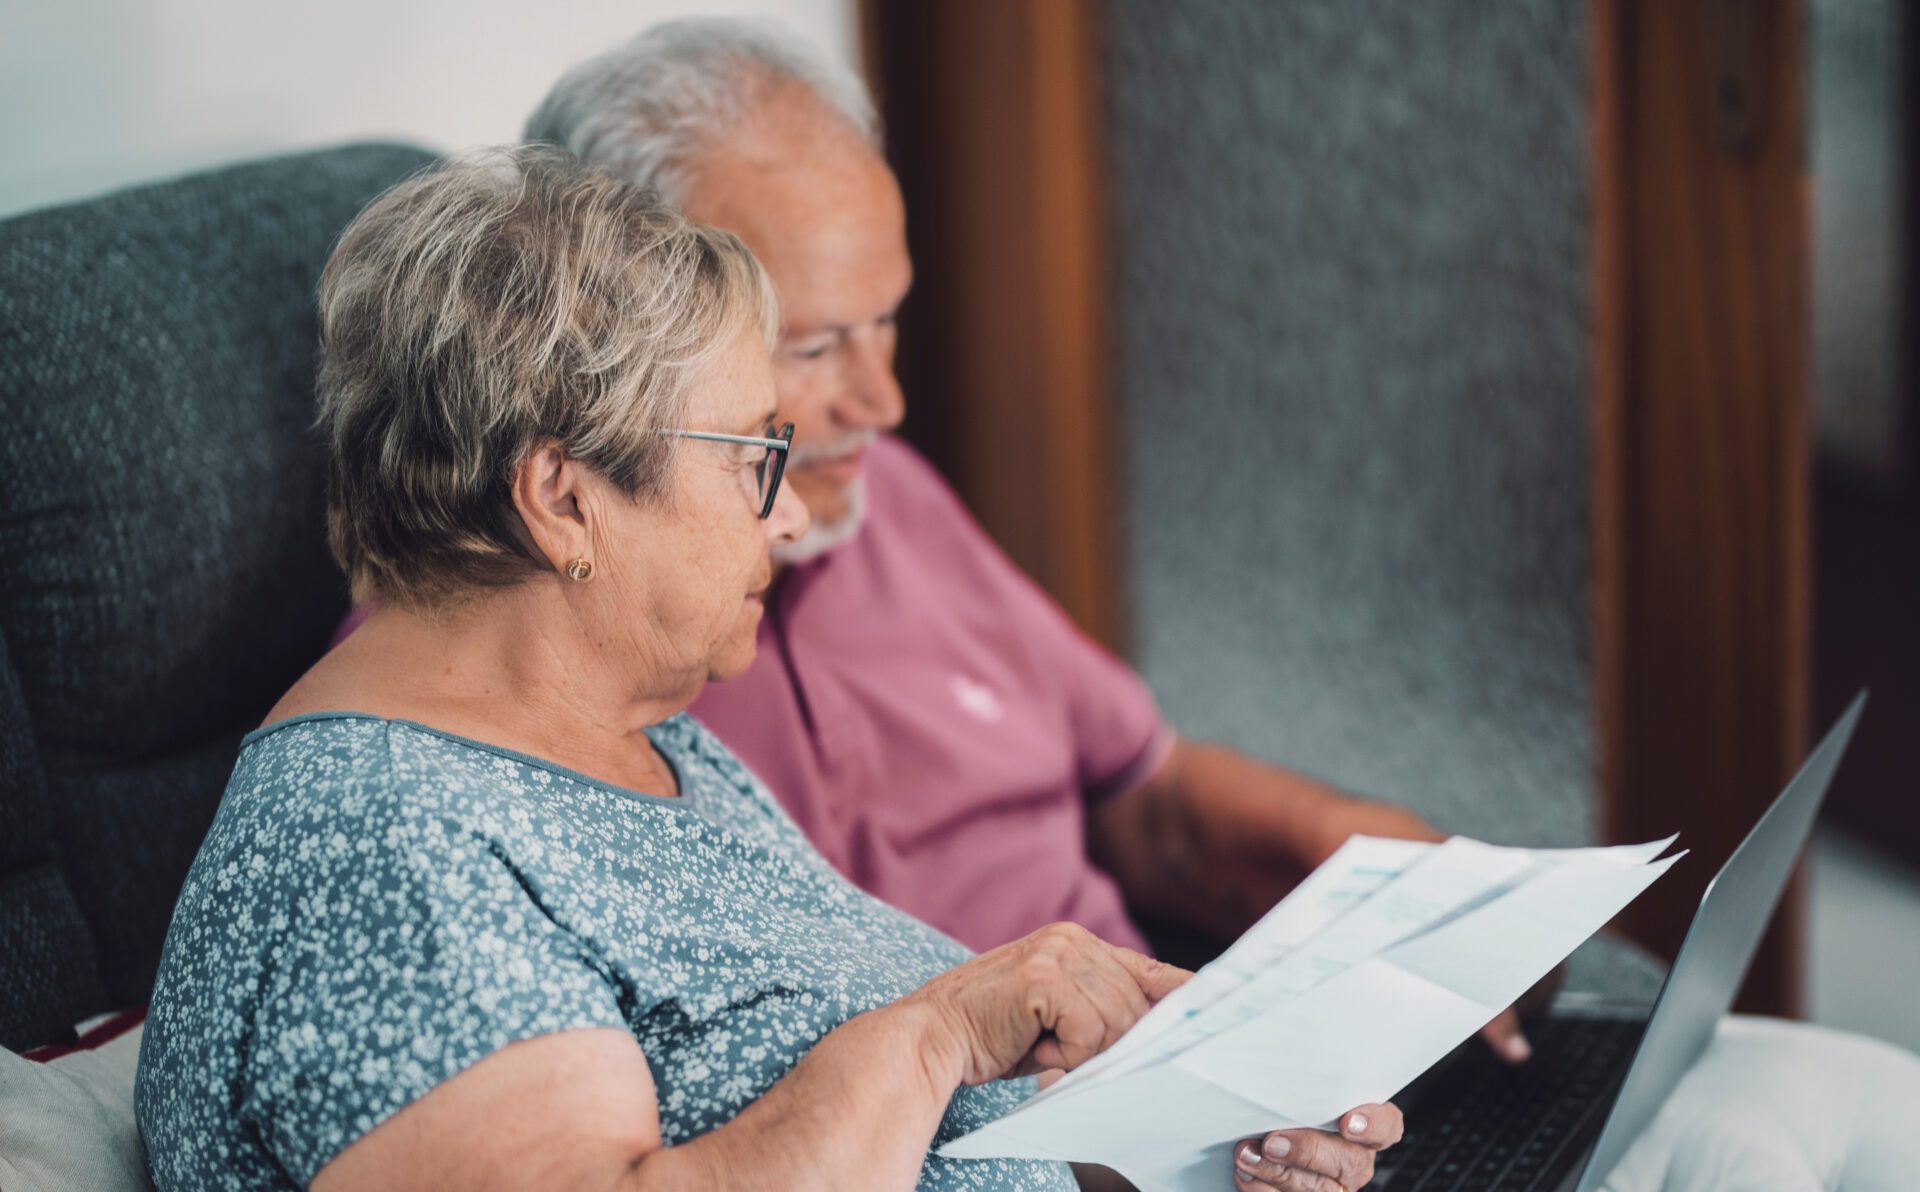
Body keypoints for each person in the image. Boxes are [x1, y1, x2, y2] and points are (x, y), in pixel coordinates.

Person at [137, 147, 1402, 1192]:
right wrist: (935, 1033)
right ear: (563, 499)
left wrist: (1186, 1145)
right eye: (753, 459)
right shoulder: (378, 848)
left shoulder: (652, 749)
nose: (789, 517)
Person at [514, 16, 1542, 1064]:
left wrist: (1363, 862)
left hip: (1176, 1078)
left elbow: (1146, 803)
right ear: (615, 341)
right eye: (814, 348)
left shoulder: (888, 496)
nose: (883, 402)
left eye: (887, 321)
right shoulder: (550, 664)